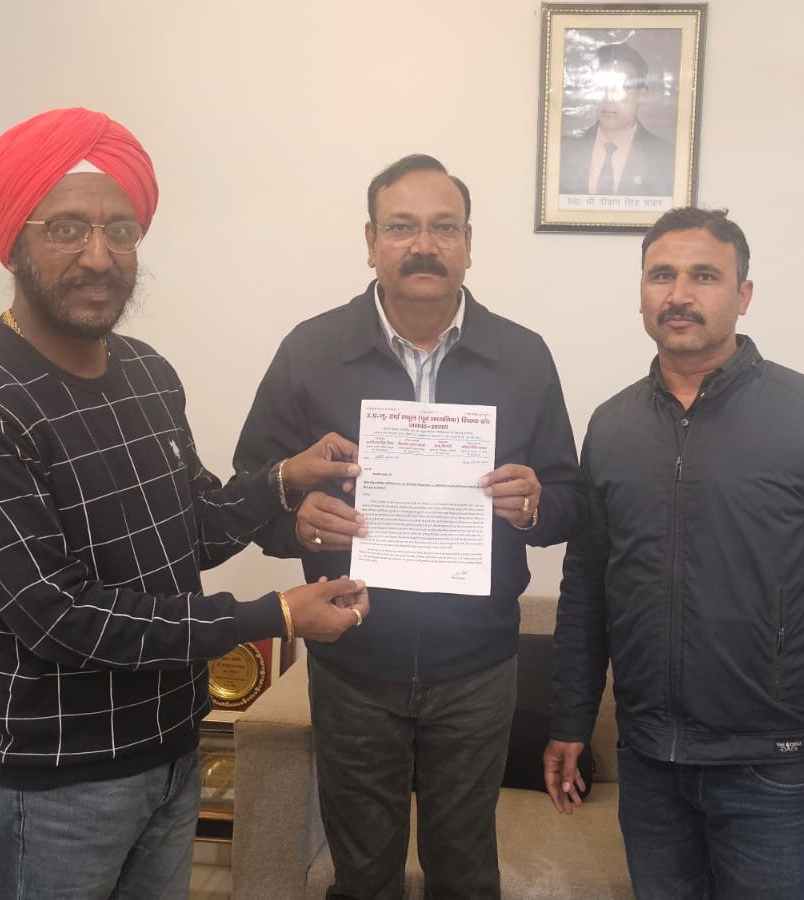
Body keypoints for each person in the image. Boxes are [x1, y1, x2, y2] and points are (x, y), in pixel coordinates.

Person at [0, 107, 370, 899]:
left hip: (170, 752)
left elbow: (191, 530)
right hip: (54, 784)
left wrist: (283, 480)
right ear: (14, 241)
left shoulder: (148, 373)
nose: (99, 257)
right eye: (67, 230)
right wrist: (274, 616)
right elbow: (58, 616)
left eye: (120, 230)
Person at [234, 153, 586, 899]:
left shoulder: (523, 356)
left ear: (468, 244)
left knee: (465, 873)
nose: (423, 245)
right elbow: (250, 494)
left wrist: (534, 505)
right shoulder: (310, 351)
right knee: (363, 876)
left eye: (443, 227)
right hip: (353, 662)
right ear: (371, 242)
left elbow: (569, 499)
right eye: (401, 227)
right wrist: (298, 525)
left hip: (478, 665)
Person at [546, 207, 804, 899]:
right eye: (661, 275)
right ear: (641, 292)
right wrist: (569, 720)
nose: (679, 294)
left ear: (743, 295)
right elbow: (585, 590)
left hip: (772, 766)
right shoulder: (611, 427)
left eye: (704, 276)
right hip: (649, 761)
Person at [559, 42, 676, 197]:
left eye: (621, 89)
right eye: (601, 88)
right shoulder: (562, 148)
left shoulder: (668, 157)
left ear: (642, 94)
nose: (608, 99)